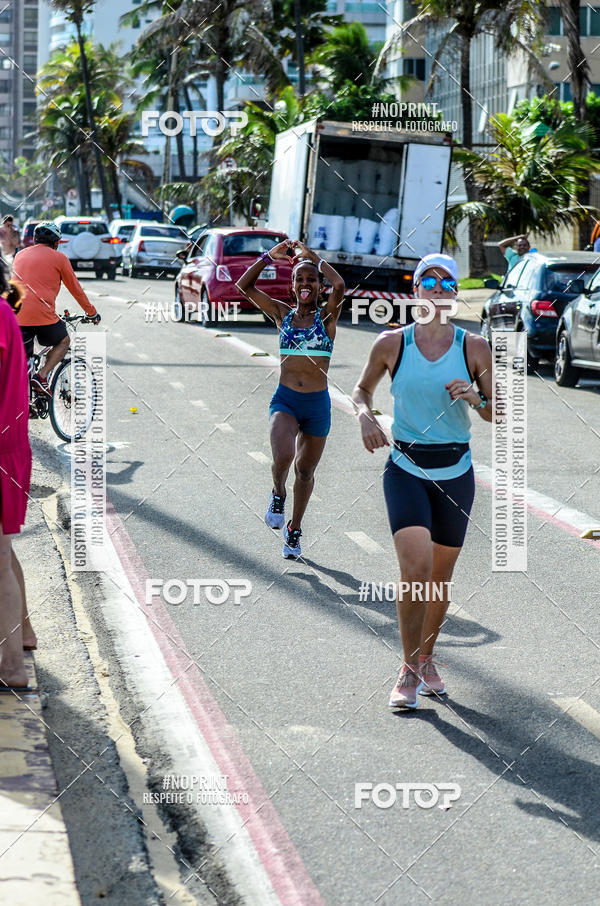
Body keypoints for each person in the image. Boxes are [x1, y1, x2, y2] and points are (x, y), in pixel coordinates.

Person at [352, 253, 493, 709]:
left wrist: (476, 396)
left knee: (438, 578)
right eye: (428, 281)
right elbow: (361, 390)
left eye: (446, 282)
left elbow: (501, 411)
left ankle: (429, 657)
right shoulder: (392, 343)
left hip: (455, 472)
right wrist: (364, 416)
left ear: (455, 294)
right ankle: (409, 668)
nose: (437, 289)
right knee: (414, 571)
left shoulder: (475, 347)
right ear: (416, 290)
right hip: (406, 467)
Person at [236, 239, 345, 559]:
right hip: (285, 401)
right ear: (292, 286)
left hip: (317, 407)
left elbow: (339, 283)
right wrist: (269, 256)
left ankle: (294, 530)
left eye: (311, 279)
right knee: (283, 457)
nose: (305, 283)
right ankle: (277, 493)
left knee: (306, 472)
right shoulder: (281, 314)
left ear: (319, 286)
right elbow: (244, 286)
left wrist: (313, 258)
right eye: (299, 278)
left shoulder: (327, 318)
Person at [0, 260, 36, 692]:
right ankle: (22, 635)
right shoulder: (5, 311)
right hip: (10, 447)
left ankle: (11, 667)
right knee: (4, 552)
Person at [13, 221, 100, 397]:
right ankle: (42, 376)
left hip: (16, 316)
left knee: (23, 360)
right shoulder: (59, 259)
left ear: (35, 240)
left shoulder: (20, 255)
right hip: (43, 316)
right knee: (63, 341)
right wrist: (92, 312)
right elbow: (75, 289)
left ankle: (27, 402)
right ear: (56, 243)